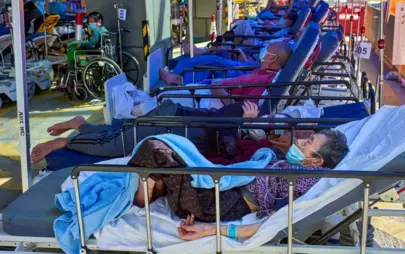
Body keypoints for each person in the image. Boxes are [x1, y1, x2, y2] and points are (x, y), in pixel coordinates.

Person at [128, 128, 349, 238]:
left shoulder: (301, 183)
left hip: (220, 203)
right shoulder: (298, 168)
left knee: (155, 150)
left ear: (317, 160)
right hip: (225, 187)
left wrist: (208, 230)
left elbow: (271, 224)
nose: (300, 141)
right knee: (166, 152)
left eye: (308, 142)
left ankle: (138, 205)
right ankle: (144, 193)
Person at [30, 100, 262, 163]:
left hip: (173, 125)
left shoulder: (262, 143)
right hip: (170, 123)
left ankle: (79, 124)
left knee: (117, 130)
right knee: (113, 144)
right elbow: (222, 124)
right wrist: (246, 124)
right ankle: (63, 143)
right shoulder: (248, 112)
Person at [159, 42, 293, 94]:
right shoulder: (268, 72)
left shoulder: (262, 78)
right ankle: (199, 53)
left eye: (267, 50)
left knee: (215, 61)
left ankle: (177, 78)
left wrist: (212, 84)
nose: (264, 51)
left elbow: (232, 82)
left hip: (232, 78)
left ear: (272, 58)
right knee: (219, 58)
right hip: (246, 68)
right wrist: (246, 60)